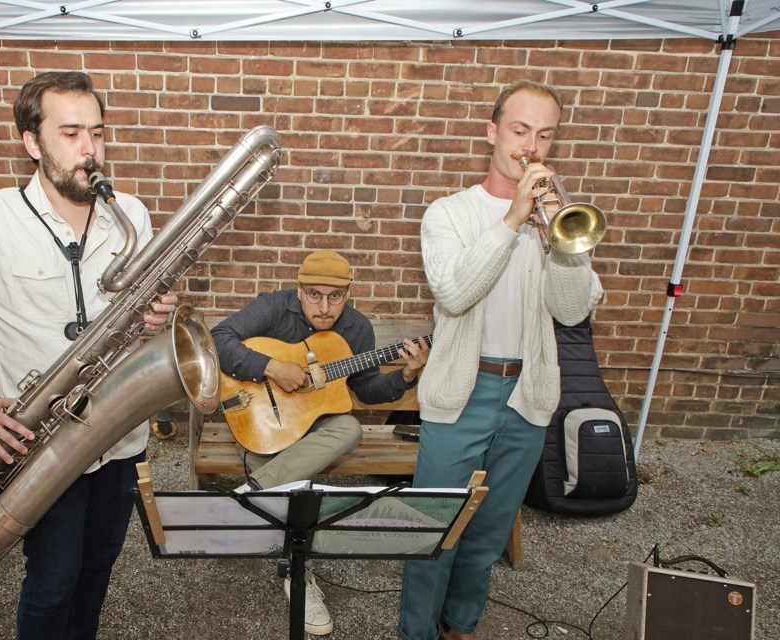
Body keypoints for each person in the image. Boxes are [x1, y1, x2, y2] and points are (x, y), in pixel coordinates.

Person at [0, 71, 177, 640]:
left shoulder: (128, 212)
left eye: (98, 133)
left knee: (97, 569)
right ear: (31, 143)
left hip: (118, 437)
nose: (89, 148)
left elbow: (149, 321)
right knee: (53, 580)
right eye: (71, 133)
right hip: (42, 445)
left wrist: (159, 318)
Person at [397, 80, 604, 640]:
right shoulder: (449, 214)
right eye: (519, 131)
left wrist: (561, 241)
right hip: (462, 392)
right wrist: (512, 220)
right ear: (492, 132)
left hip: (526, 395)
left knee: (487, 533)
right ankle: (415, 633)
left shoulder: (555, 220)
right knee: (434, 530)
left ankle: (460, 626)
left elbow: (570, 310)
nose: (530, 146)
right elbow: (455, 292)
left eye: (545, 135)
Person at [211, 249, 429, 636]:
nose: (325, 307)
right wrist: (270, 366)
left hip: (317, 429)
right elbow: (218, 338)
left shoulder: (357, 329)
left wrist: (407, 378)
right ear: (298, 290)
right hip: (262, 420)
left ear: (348, 294)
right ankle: (299, 572)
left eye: (335, 297)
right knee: (295, 488)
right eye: (314, 295)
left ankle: (254, 495)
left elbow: (368, 390)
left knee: (350, 428)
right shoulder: (272, 308)